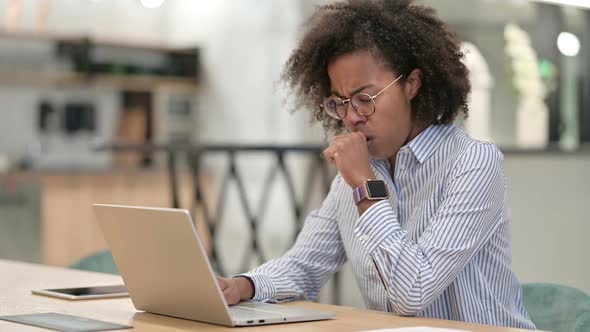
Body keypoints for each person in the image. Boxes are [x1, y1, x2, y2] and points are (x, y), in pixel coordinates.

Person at [217, 0, 535, 329]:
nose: (351, 117)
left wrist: (365, 187)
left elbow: (413, 292)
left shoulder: (472, 163)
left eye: (364, 99)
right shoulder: (358, 173)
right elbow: (304, 265)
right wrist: (242, 286)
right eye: (340, 102)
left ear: (412, 84)